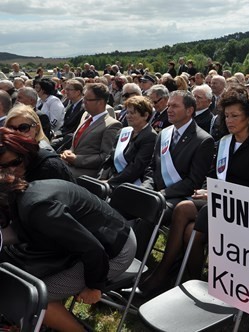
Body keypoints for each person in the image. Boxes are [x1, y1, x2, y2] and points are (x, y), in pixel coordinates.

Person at [139, 85, 249, 297]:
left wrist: (215, 193)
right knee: (190, 231)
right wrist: (206, 190)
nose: (229, 120)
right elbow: (211, 176)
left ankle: (165, 274)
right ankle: (190, 283)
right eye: (226, 115)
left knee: (184, 210)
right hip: (217, 202)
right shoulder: (224, 142)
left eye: (235, 116)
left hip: (245, 208)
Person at [0, 173, 136, 332]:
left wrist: (94, 286)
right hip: (88, 245)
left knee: (33, 297)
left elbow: (93, 249)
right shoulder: (23, 195)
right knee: (22, 279)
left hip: (113, 251)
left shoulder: (39, 209)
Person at [142, 90, 214, 224]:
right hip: (156, 192)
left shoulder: (203, 140)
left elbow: (193, 182)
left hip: (180, 197)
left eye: (175, 106)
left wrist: (162, 194)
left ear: (189, 110)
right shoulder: (164, 134)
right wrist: (146, 188)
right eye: (168, 105)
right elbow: (152, 168)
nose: (169, 110)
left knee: (150, 211)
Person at [60, 83, 122, 178]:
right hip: (70, 167)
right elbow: (77, 144)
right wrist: (69, 152)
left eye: (88, 99)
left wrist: (77, 159)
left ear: (100, 102)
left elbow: (105, 157)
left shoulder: (112, 125)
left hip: (87, 174)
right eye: (84, 98)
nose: (83, 102)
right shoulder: (86, 116)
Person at [99, 96, 157, 189]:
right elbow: (110, 158)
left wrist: (110, 182)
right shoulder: (123, 132)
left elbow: (137, 168)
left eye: (132, 113)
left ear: (145, 115)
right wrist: (101, 177)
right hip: (112, 177)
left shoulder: (150, 136)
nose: (128, 116)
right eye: (127, 112)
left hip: (131, 183)